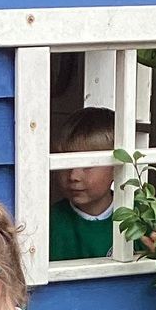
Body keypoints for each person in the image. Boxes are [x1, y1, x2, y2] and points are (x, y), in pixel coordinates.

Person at [48, 106, 117, 262]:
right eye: (66, 163)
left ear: (116, 168)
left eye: (87, 165)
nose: (73, 176)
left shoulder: (141, 218)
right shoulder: (50, 222)